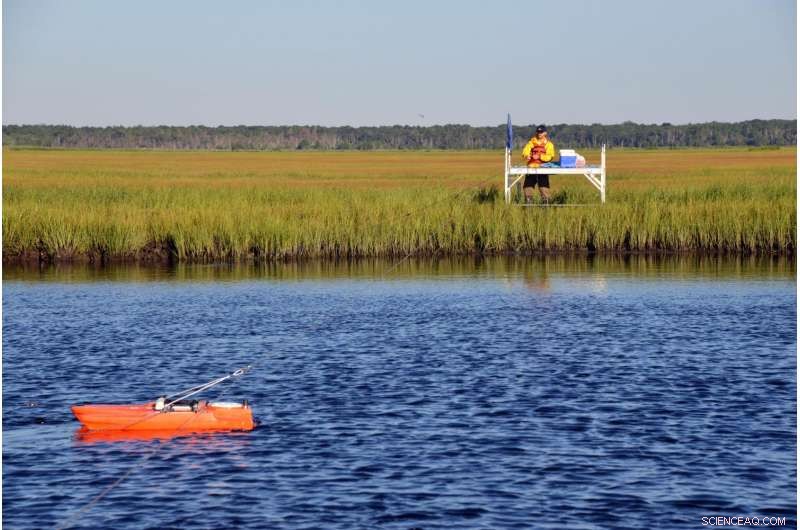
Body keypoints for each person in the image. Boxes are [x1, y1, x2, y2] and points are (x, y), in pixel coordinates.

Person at [521, 125, 555, 204]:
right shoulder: (531, 142)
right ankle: (528, 206)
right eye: (538, 132)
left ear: (545, 133)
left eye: (541, 132)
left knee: (544, 188)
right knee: (527, 188)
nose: (539, 133)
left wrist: (539, 156)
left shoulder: (549, 144)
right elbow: (525, 151)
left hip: (542, 168)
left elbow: (550, 156)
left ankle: (546, 206)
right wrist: (527, 155)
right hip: (531, 168)